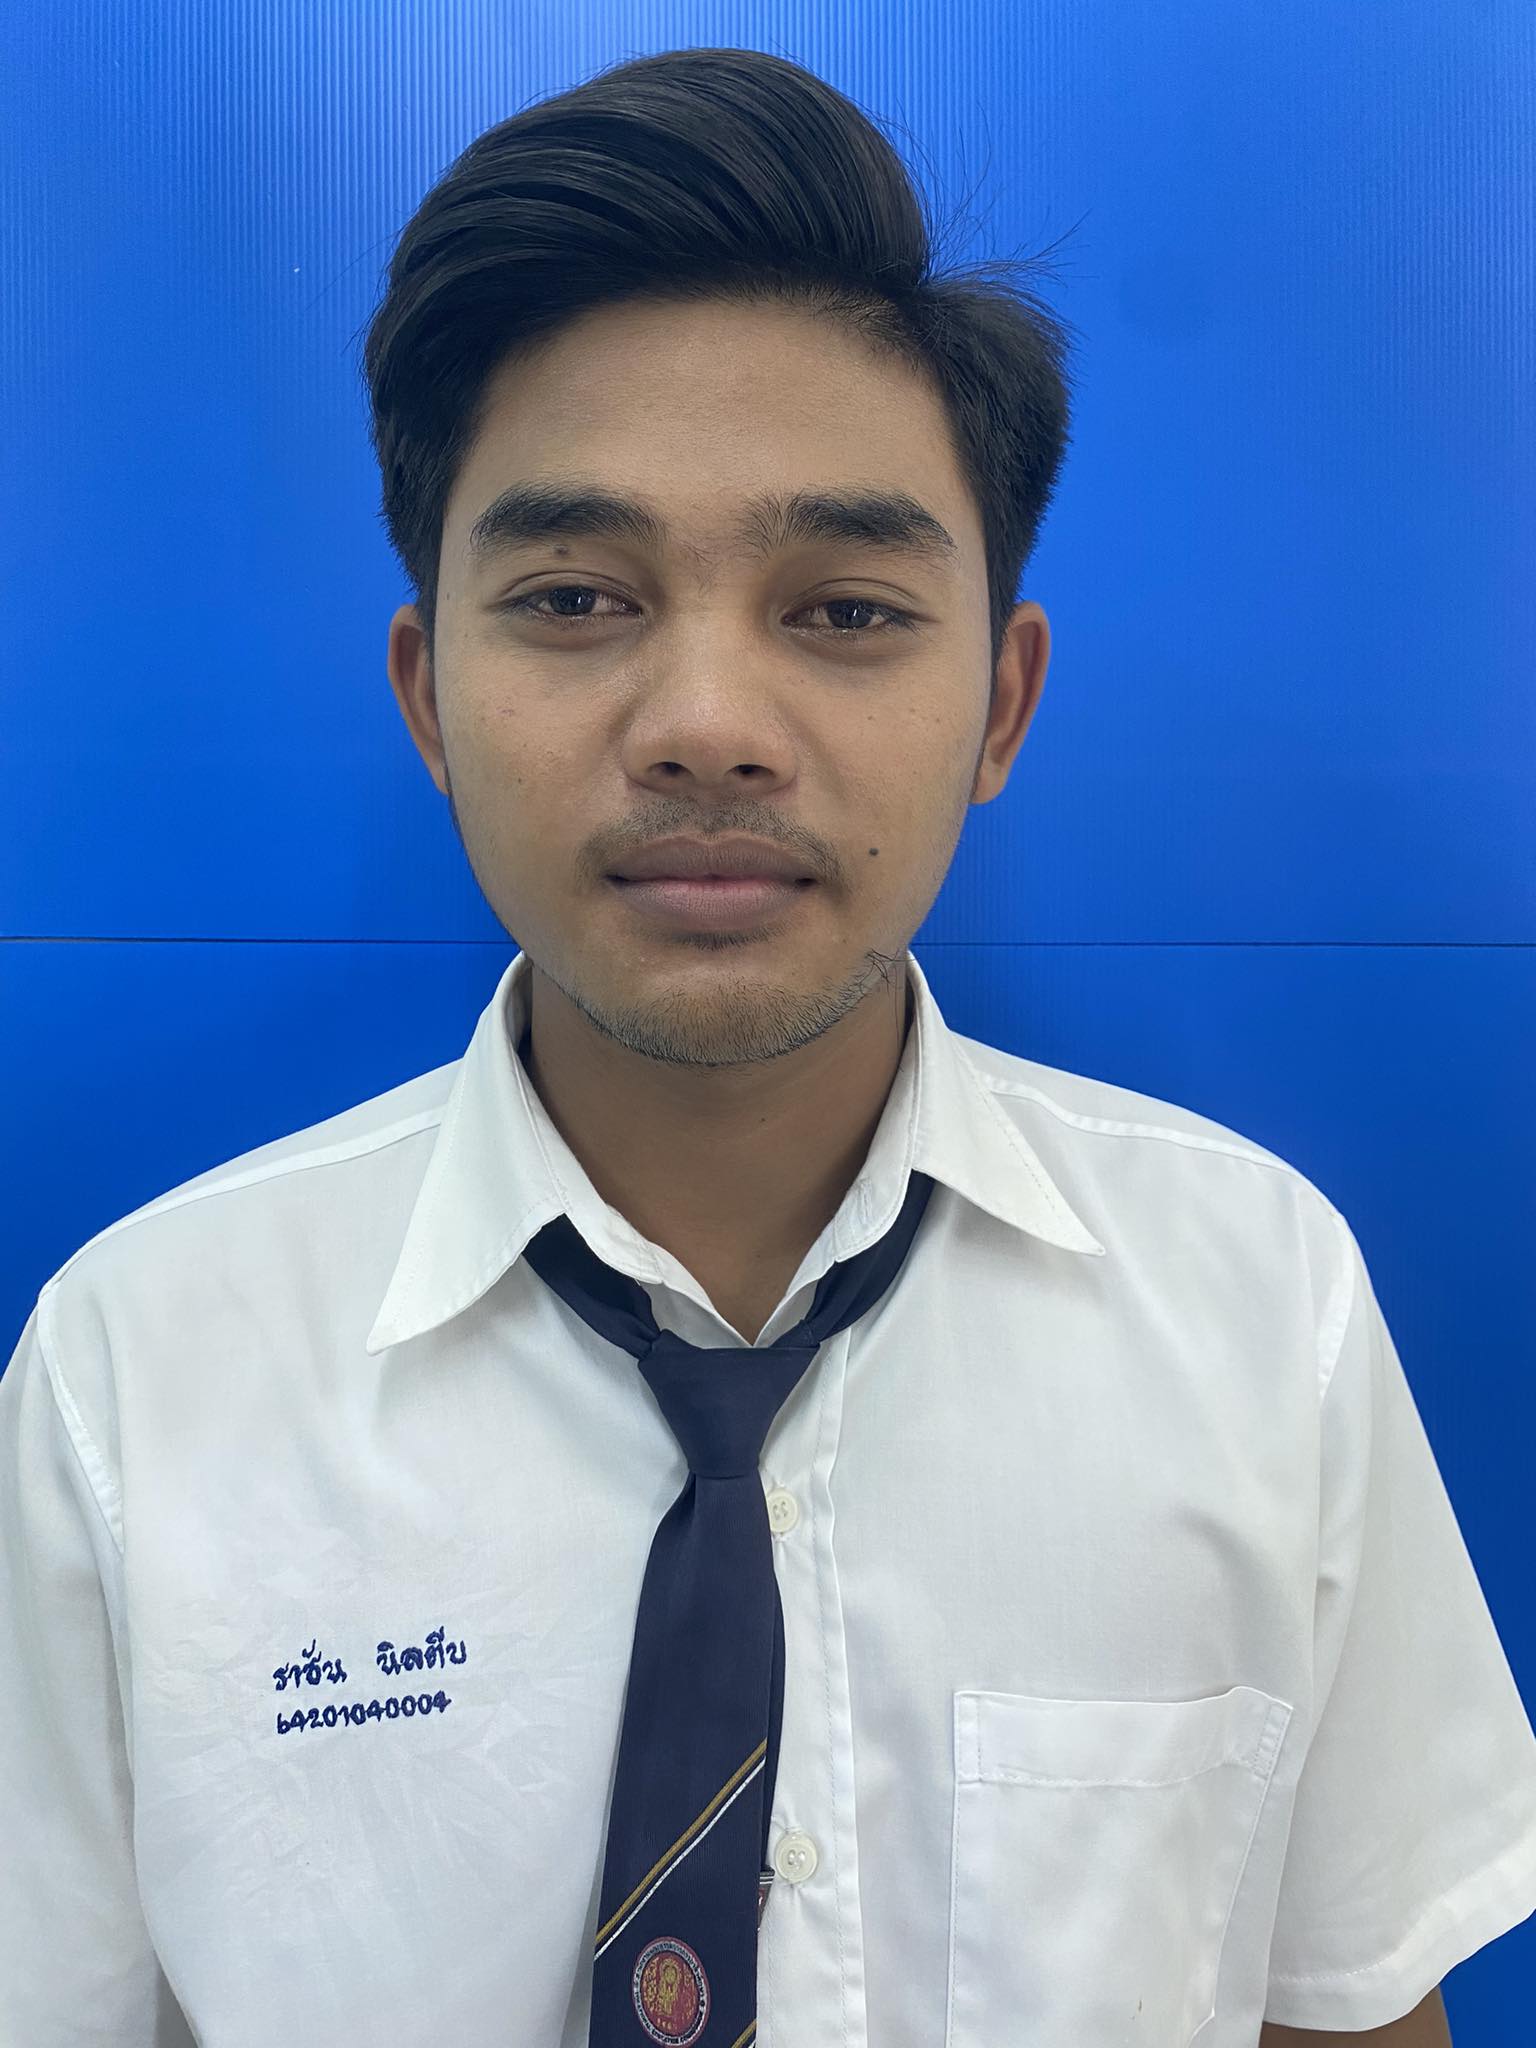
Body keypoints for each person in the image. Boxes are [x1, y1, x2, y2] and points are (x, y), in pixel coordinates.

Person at [2, 44, 1532, 2048]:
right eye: (576, 595)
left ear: (1002, 706)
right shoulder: (137, 1373)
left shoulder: (1261, 1305)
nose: (708, 724)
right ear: (428, 699)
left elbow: (1346, 2000)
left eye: (844, 611)